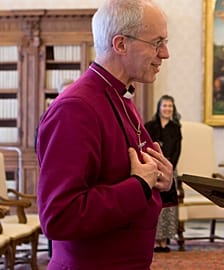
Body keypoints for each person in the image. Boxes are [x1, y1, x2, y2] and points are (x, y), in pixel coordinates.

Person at [36, 0, 173, 269]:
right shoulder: (76, 108)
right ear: (120, 44)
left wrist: (161, 180)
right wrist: (139, 186)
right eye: (157, 42)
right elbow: (58, 216)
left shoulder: (121, 98)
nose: (165, 53)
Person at [144, 95, 182, 253]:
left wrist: (168, 167)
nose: (167, 109)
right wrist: (156, 166)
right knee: (154, 203)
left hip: (170, 170)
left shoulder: (176, 128)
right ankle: (154, 241)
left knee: (168, 205)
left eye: (170, 106)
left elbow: (177, 150)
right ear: (159, 107)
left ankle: (164, 241)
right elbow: (146, 147)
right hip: (152, 169)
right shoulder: (150, 126)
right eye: (165, 106)